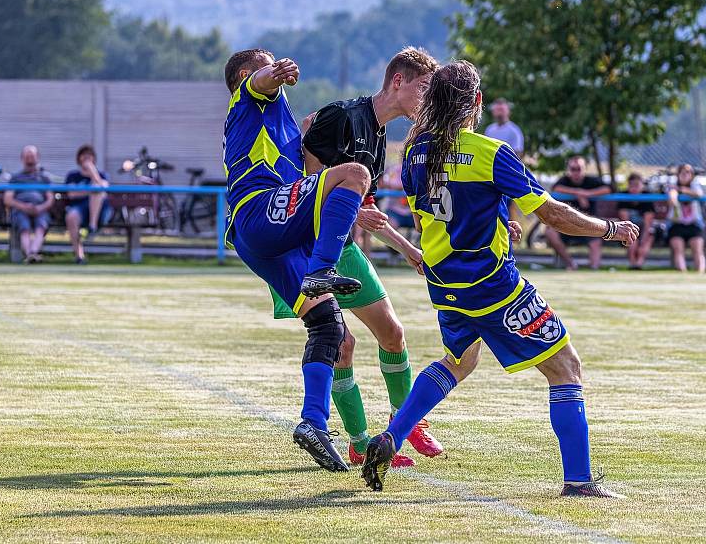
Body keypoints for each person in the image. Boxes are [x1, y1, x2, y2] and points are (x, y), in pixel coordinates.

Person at [361, 61, 639, 498]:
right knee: (566, 368)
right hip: (491, 283)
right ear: (476, 103)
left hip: (444, 281)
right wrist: (609, 229)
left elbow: (422, 217)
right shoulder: (489, 152)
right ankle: (579, 481)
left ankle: (393, 434)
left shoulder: (414, 152)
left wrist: (490, 223)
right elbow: (552, 214)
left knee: (458, 362)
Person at [271, 47, 442, 468]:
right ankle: (360, 441)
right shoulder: (344, 116)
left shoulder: (380, 141)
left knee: (394, 334)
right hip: (303, 251)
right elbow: (302, 179)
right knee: (341, 344)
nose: (428, 98)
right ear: (397, 81)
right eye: (424, 87)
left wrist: (409, 250)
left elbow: (363, 213)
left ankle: (406, 422)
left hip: (342, 249)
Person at [223, 48, 371, 473]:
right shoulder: (248, 98)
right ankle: (323, 268)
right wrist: (276, 72)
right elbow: (260, 80)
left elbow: (306, 178)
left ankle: (313, 423)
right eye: (267, 62)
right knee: (355, 172)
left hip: (267, 238)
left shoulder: (277, 120)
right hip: (260, 211)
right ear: (251, 73)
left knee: (330, 327)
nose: (277, 68)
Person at [545, 156, 611, 270]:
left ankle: (594, 270)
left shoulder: (591, 181)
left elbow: (609, 188)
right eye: (573, 169)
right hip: (567, 224)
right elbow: (556, 188)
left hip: (589, 223)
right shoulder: (564, 181)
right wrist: (577, 192)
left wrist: (587, 194)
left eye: (579, 168)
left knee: (596, 239)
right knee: (550, 232)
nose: (576, 172)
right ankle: (571, 264)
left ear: (584, 168)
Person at [3, 145, 53, 263]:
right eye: (27, 156)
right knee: (24, 227)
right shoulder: (15, 178)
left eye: (32, 155)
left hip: (40, 209)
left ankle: (32, 253)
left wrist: (40, 208)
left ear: (38, 157)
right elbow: (7, 199)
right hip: (20, 210)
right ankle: (31, 254)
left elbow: (50, 199)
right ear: (22, 158)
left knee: (41, 226)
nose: (30, 158)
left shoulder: (45, 178)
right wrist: (24, 207)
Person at [65, 145, 112, 264]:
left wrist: (92, 171)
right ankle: (79, 256)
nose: (86, 157)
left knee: (97, 189)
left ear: (94, 158)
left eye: (89, 155)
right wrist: (90, 190)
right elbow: (71, 194)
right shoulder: (73, 176)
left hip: (101, 211)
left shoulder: (102, 175)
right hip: (79, 208)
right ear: (78, 158)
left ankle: (92, 225)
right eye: (83, 155)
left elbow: (103, 188)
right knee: (71, 217)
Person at [667, 163, 706, 273]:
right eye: (682, 172)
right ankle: (682, 274)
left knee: (698, 250)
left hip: (694, 224)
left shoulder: (694, 185)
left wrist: (682, 190)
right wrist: (674, 197)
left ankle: (700, 275)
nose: (685, 175)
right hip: (677, 223)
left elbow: (698, 194)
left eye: (688, 172)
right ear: (678, 174)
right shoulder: (672, 185)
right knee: (678, 250)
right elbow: (672, 195)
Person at [618, 173, 655, 269]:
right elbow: (625, 222)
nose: (634, 188)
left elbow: (648, 223)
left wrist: (642, 240)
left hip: (644, 230)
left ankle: (639, 264)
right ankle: (633, 264)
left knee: (648, 238)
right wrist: (634, 239)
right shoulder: (624, 197)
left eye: (637, 185)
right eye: (631, 185)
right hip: (628, 230)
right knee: (631, 240)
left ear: (642, 185)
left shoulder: (647, 197)